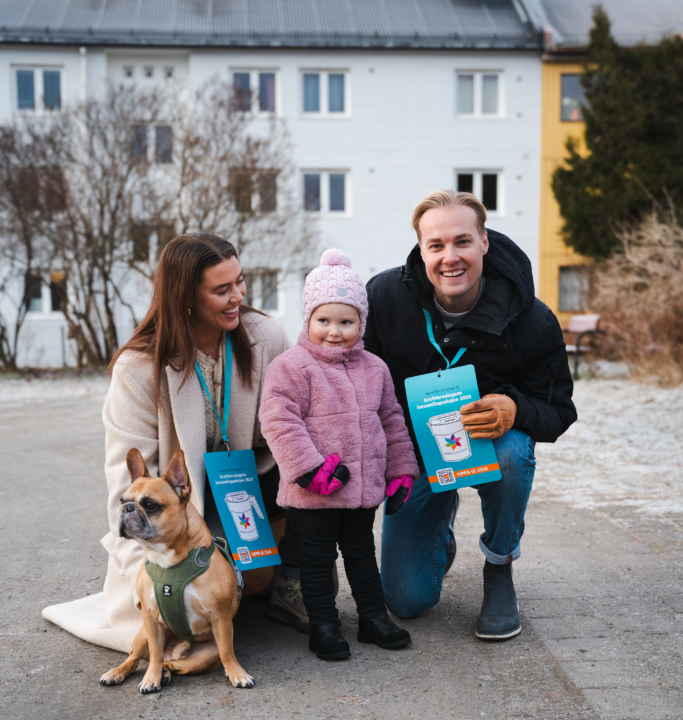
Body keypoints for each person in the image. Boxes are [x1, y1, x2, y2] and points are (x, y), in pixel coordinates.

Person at [42, 233, 291, 653]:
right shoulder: (138, 367)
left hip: (253, 489)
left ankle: (291, 578)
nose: (238, 297)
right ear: (186, 297)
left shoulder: (265, 336)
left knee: (307, 466)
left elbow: (296, 423)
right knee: (184, 631)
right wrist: (148, 580)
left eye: (240, 282)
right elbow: (126, 482)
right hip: (181, 510)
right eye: (221, 290)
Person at [364, 190, 577, 641]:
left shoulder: (533, 320)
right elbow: (362, 382)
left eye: (462, 241)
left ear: (485, 242)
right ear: (420, 250)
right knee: (406, 601)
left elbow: (559, 410)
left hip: (488, 444)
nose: (449, 257)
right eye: (435, 246)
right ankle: (438, 533)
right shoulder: (383, 297)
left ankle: (499, 566)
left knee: (515, 452)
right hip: (416, 455)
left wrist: (515, 407)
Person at [259, 249, 420, 661]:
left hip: (362, 488)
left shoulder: (375, 369)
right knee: (315, 558)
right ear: (308, 319)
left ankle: (372, 617)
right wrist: (309, 469)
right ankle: (324, 625)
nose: (335, 331)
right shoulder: (292, 367)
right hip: (316, 489)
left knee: (361, 551)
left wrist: (401, 470)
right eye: (324, 320)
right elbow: (279, 422)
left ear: (361, 323)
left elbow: (392, 421)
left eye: (346, 321)